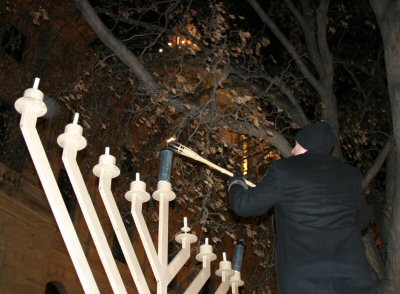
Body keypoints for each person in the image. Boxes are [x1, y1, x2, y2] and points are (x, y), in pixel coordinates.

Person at [228, 121, 377, 294]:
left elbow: (243, 205)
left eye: (296, 145)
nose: (292, 150)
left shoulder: (285, 170)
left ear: (306, 145)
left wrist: (236, 183)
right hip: (355, 282)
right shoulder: (351, 176)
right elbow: (363, 220)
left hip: (304, 283)